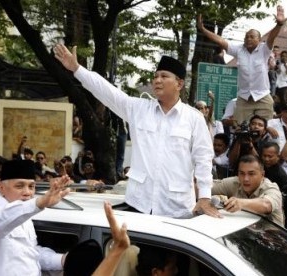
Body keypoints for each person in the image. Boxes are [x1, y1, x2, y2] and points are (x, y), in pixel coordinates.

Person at [54, 44, 219, 218]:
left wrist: (205, 197)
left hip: (176, 209)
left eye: (164, 76)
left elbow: (203, 159)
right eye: (155, 76)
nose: (157, 80)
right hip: (138, 205)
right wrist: (77, 69)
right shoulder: (139, 109)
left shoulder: (193, 118)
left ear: (179, 83)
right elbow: (107, 92)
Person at [0, 159, 72, 275]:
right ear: (1, 187)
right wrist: (39, 203)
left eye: (31, 186)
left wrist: (62, 260)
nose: (27, 192)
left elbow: (28, 252)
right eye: (19, 186)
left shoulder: (24, 214)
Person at [197, 5, 286, 122]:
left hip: (263, 96)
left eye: (252, 37)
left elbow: (272, 37)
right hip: (244, 98)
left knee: (266, 128)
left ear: (259, 40)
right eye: (246, 37)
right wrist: (203, 29)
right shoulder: (238, 50)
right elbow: (220, 40)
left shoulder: (264, 49)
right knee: (239, 128)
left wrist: (279, 24)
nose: (248, 39)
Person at [211, 154, 284, 225]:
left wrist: (241, 203)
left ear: (262, 175)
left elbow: (266, 205)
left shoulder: (271, 188)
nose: (245, 179)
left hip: (271, 235)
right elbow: (207, 187)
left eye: (251, 174)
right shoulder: (235, 183)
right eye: (242, 173)